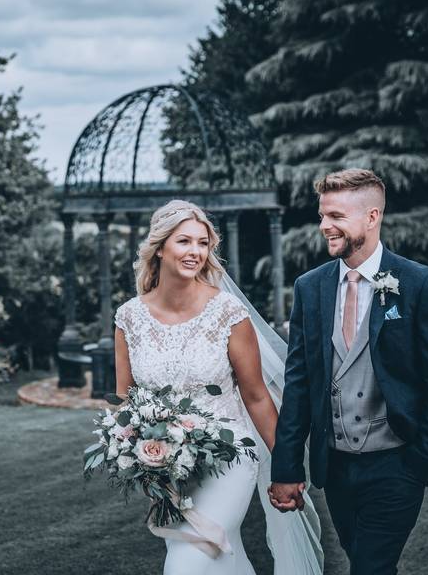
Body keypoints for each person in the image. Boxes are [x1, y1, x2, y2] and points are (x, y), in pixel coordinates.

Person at [113, 200, 323, 575]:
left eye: (203, 243)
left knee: (186, 564)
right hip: (166, 469)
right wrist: (137, 455)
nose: (195, 251)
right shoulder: (129, 317)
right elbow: (126, 400)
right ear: (160, 247)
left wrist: (287, 467)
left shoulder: (227, 313)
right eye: (184, 241)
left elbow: (256, 396)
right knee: (223, 559)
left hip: (230, 458)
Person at [269, 168, 428, 575]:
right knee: (367, 563)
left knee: (369, 568)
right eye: (323, 215)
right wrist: (286, 468)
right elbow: (299, 382)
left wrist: (420, 464)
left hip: (397, 465)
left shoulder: (419, 283)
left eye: (336, 216)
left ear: (372, 218)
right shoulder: (310, 286)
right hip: (335, 468)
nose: (324, 226)